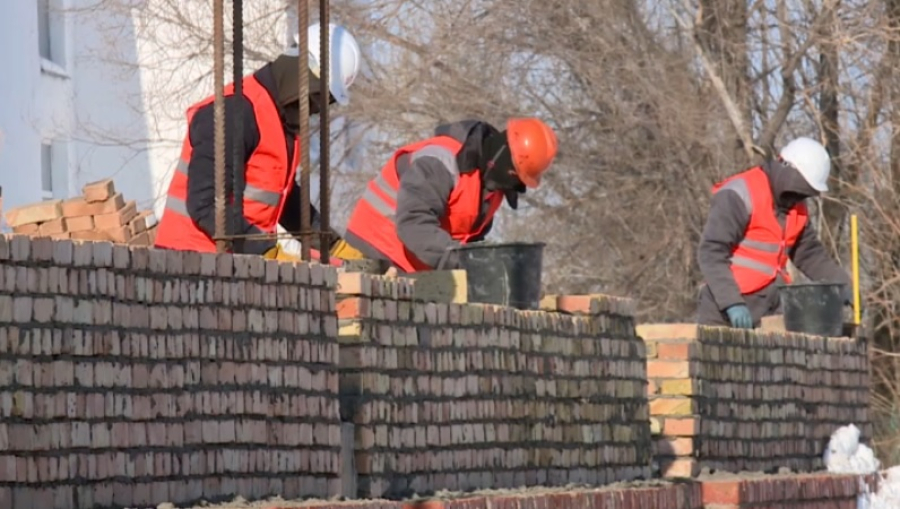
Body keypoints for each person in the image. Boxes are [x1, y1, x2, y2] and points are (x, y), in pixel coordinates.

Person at [154, 22, 361, 263]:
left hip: (236, 267)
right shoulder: (235, 112)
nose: (315, 109)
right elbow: (205, 204)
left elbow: (284, 198)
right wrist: (265, 252)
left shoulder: (280, 121)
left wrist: (331, 245)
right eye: (318, 98)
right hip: (189, 265)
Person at [336, 118, 557, 273]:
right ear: (503, 158)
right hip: (372, 254)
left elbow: (468, 242)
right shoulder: (440, 160)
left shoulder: (492, 190)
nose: (513, 183)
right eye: (515, 175)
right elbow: (413, 225)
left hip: (415, 268)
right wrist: (470, 264)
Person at [696, 137, 853, 328]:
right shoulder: (739, 193)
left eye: (804, 194)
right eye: (797, 191)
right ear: (786, 168)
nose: (797, 199)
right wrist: (731, 302)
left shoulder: (797, 208)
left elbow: (810, 255)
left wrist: (843, 286)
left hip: (770, 308)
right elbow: (711, 252)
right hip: (725, 310)